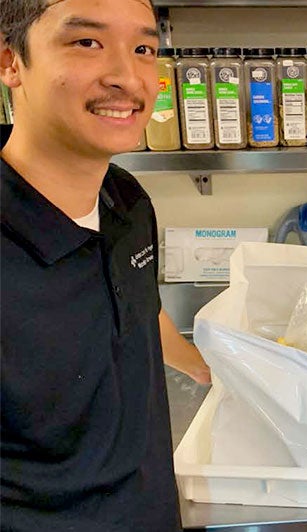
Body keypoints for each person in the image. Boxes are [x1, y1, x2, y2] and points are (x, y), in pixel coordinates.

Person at [0, 0, 211, 529]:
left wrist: (215, 375)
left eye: (143, 49)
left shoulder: (126, 199)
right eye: (86, 42)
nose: (126, 76)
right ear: (10, 63)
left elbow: (140, 308)